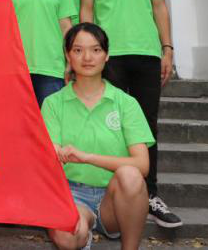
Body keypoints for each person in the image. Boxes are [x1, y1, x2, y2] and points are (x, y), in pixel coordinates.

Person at [71, 0, 182, 229]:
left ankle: (150, 194)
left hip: (147, 53)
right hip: (109, 56)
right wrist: (88, 51)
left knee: (146, 125)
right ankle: (115, 191)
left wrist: (167, 48)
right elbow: (86, 10)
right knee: (111, 123)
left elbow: (159, 6)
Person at [42, 23, 153, 250]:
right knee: (66, 237)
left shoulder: (126, 103)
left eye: (95, 50)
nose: (87, 58)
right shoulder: (53, 103)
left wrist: (87, 157)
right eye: (78, 50)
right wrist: (53, 152)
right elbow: (49, 156)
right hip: (71, 194)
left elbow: (142, 165)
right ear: (68, 55)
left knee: (131, 175)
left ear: (106, 55)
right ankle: (83, 233)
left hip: (114, 198)